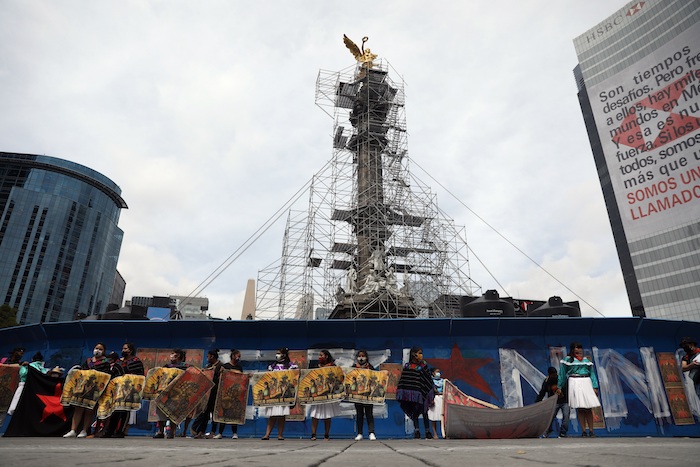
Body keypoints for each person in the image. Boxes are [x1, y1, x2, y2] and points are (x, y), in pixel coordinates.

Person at [64, 342, 111, 438]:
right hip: (82, 389)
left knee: (89, 410)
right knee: (78, 409)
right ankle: (73, 430)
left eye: (100, 349)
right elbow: (82, 372)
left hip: (95, 390)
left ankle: (84, 430)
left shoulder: (105, 362)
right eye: (96, 348)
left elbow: (106, 376)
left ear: (104, 351)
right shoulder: (88, 360)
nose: (97, 350)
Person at [558, 342, 600, 438]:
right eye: (576, 347)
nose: (578, 349)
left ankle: (592, 430)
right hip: (575, 381)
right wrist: (559, 386)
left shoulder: (586, 360)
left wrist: (595, 386)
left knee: (588, 407)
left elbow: (592, 373)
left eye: (579, 347)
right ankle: (584, 431)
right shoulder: (567, 360)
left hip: (586, 381)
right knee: (580, 407)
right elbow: (562, 374)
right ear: (572, 349)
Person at [104, 343, 145, 438]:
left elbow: (139, 376)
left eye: (125, 348)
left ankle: (121, 431)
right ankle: (110, 430)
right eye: (123, 348)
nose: (123, 350)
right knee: (114, 410)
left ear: (130, 350)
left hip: (129, 390)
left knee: (125, 411)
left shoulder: (136, 361)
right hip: (117, 390)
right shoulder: (119, 361)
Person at [396, 346, 434, 439]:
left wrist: (431, 389)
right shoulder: (407, 366)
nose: (421, 355)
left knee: (425, 412)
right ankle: (417, 431)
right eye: (419, 353)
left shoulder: (423, 365)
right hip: (412, 395)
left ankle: (427, 431)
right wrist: (402, 392)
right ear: (414, 354)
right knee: (414, 412)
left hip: (422, 393)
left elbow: (427, 379)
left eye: (421, 353)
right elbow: (404, 380)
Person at [261, 347, 298, 440]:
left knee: (282, 415)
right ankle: (267, 434)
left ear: (284, 355)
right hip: (274, 393)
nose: (277, 355)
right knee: (272, 415)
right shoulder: (272, 366)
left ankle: (280, 435)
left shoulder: (290, 366)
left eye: (279, 353)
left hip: (284, 394)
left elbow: (294, 377)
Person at [153, 348, 189, 439]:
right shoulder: (166, 366)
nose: (172, 356)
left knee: (174, 413)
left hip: (177, 393)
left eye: (174, 354)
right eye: (171, 354)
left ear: (179, 356)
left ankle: (172, 432)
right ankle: (160, 431)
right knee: (161, 412)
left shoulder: (186, 366)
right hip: (165, 392)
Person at [309, 350, 341, 441]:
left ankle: (326, 435)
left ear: (326, 356)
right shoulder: (316, 366)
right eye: (319, 355)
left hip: (328, 394)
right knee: (315, 414)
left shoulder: (333, 367)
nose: (319, 357)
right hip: (318, 393)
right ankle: (313, 434)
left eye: (321, 355)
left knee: (327, 415)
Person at [191, 349, 223, 438]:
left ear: (212, 356)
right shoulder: (208, 366)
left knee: (214, 414)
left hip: (216, 393)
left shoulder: (220, 366)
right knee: (205, 413)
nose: (207, 358)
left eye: (208, 356)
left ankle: (213, 432)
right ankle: (201, 431)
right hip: (207, 394)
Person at [536, 366, 569, 438]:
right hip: (554, 402)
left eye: (555, 374)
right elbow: (542, 392)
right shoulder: (547, 381)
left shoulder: (561, 379)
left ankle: (563, 432)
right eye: (553, 375)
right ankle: (548, 430)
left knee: (566, 416)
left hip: (564, 401)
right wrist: (538, 401)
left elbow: (568, 389)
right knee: (550, 417)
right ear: (549, 374)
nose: (554, 376)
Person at [217, 349, 243, 439]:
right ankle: (220, 432)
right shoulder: (225, 366)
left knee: (234, 413)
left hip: (235, 394)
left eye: (239, 356)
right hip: (226, 393)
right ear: (233, 356)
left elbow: (242, 378)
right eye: (237, 356)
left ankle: (235, 433)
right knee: (224, 412)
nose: (238, 358)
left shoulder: (239, 367)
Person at [353, 349, 376, 441]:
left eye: (363, 356)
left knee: (369, 414)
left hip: (368, 395)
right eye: (359, 356)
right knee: (359, 414)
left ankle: (371, 432)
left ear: (366, 357)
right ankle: (359, 433)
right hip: (357, 395)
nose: (361, 358)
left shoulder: (370, 367)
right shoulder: (353, 368)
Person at [427, 367, 444, 439]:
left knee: (443, 417)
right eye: (437, 372)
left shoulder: (443, 381)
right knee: (434, 417)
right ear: (433, 373)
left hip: (442, 398)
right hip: (434, 399)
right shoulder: (430, 381)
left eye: (439, 371)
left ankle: (444, 433)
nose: (438, 373)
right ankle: (435, 434)